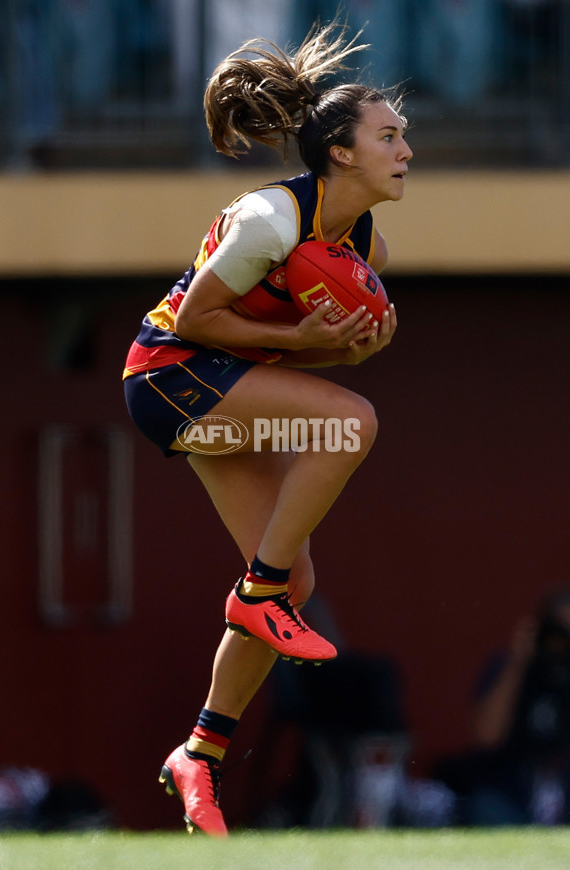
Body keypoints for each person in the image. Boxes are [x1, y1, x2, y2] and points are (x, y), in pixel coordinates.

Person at [123, 21, 412, 836]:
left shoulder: (363, 242)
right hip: (166, 379)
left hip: (208, 389)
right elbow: (196, 319)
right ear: (342, 154)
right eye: (388, 135)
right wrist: (307, 347)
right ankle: (256, 597)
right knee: (351, 428)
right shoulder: (269, 219)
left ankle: (199, 755)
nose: (405, 149)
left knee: (300, 582)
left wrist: (342, 352)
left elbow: (289, 363)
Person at [436, 587, 570, 825]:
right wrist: (518, 663)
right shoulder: (507, 667)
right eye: (558, 632)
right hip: (508, 795)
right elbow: (486, 737)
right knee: (485, 808)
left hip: (563, 793)